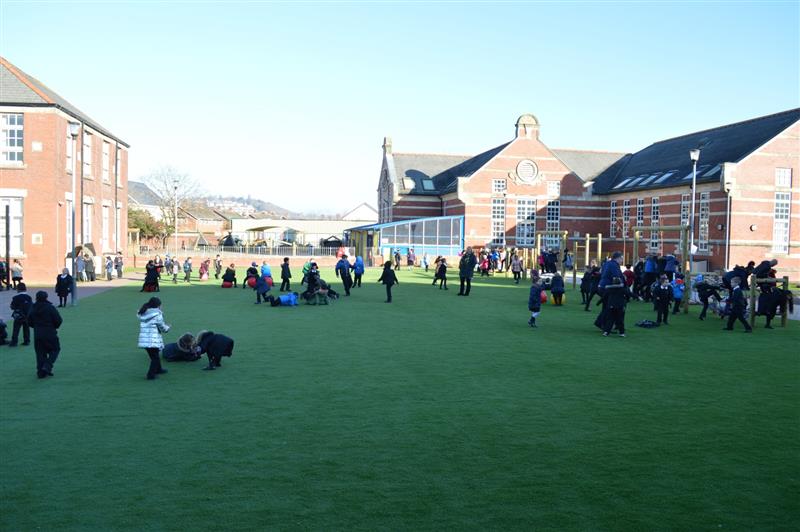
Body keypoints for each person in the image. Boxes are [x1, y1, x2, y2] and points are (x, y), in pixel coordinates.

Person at [27, 291, 63, 378]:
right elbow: (58, 320)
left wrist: (35, 326)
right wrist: (54, 326)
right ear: (46, 298)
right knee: (55, 349)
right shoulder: (50, 307)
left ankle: (41, 372)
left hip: (38, 333)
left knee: (40, 353)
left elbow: (29, 320)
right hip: (50, 332)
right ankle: (47, 365)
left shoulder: (33, 307)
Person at [137, 297, 170, 380]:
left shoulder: (143, 312)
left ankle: (159, 369)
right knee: (155, 358)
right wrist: (168, 327)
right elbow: (162, 327)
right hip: (153, 340)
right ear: (158, 306)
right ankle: (150, 375)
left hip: (144, 340)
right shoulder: (158, 314)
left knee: (154, 356)